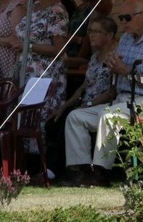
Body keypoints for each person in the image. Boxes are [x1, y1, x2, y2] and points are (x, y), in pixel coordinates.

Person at [64, 0, 143, 186]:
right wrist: (114, 69)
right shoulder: (125, 39)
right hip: (121, 100)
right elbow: (118, 72)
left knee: (109, 117)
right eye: (121, 18)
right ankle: (80, 170)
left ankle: (101, 172)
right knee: (76, 117)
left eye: (127, 18)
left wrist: (127, 72)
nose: (123, 22)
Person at [46, 17, 117, 181]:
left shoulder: (116, 56)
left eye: (97, 32)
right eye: (90, 31)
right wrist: (63, 107)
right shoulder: (95, 57)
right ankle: (58, 169)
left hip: (103, 104)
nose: (91, 35)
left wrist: (89, 104)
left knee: (66, 122)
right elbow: (83, 87)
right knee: (53, 122)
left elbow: (112, 91)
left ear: (109, 35)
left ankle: (61, 171)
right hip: (85, 103)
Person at [9, 0, 69, 148]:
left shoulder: (57, 12)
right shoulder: (32, 8)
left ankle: (45, 165)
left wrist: (29, 46)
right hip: (26, 72)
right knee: (25, 118)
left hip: (46, 75)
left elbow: (59, 49)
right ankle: (27, 166)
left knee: (40, 118)